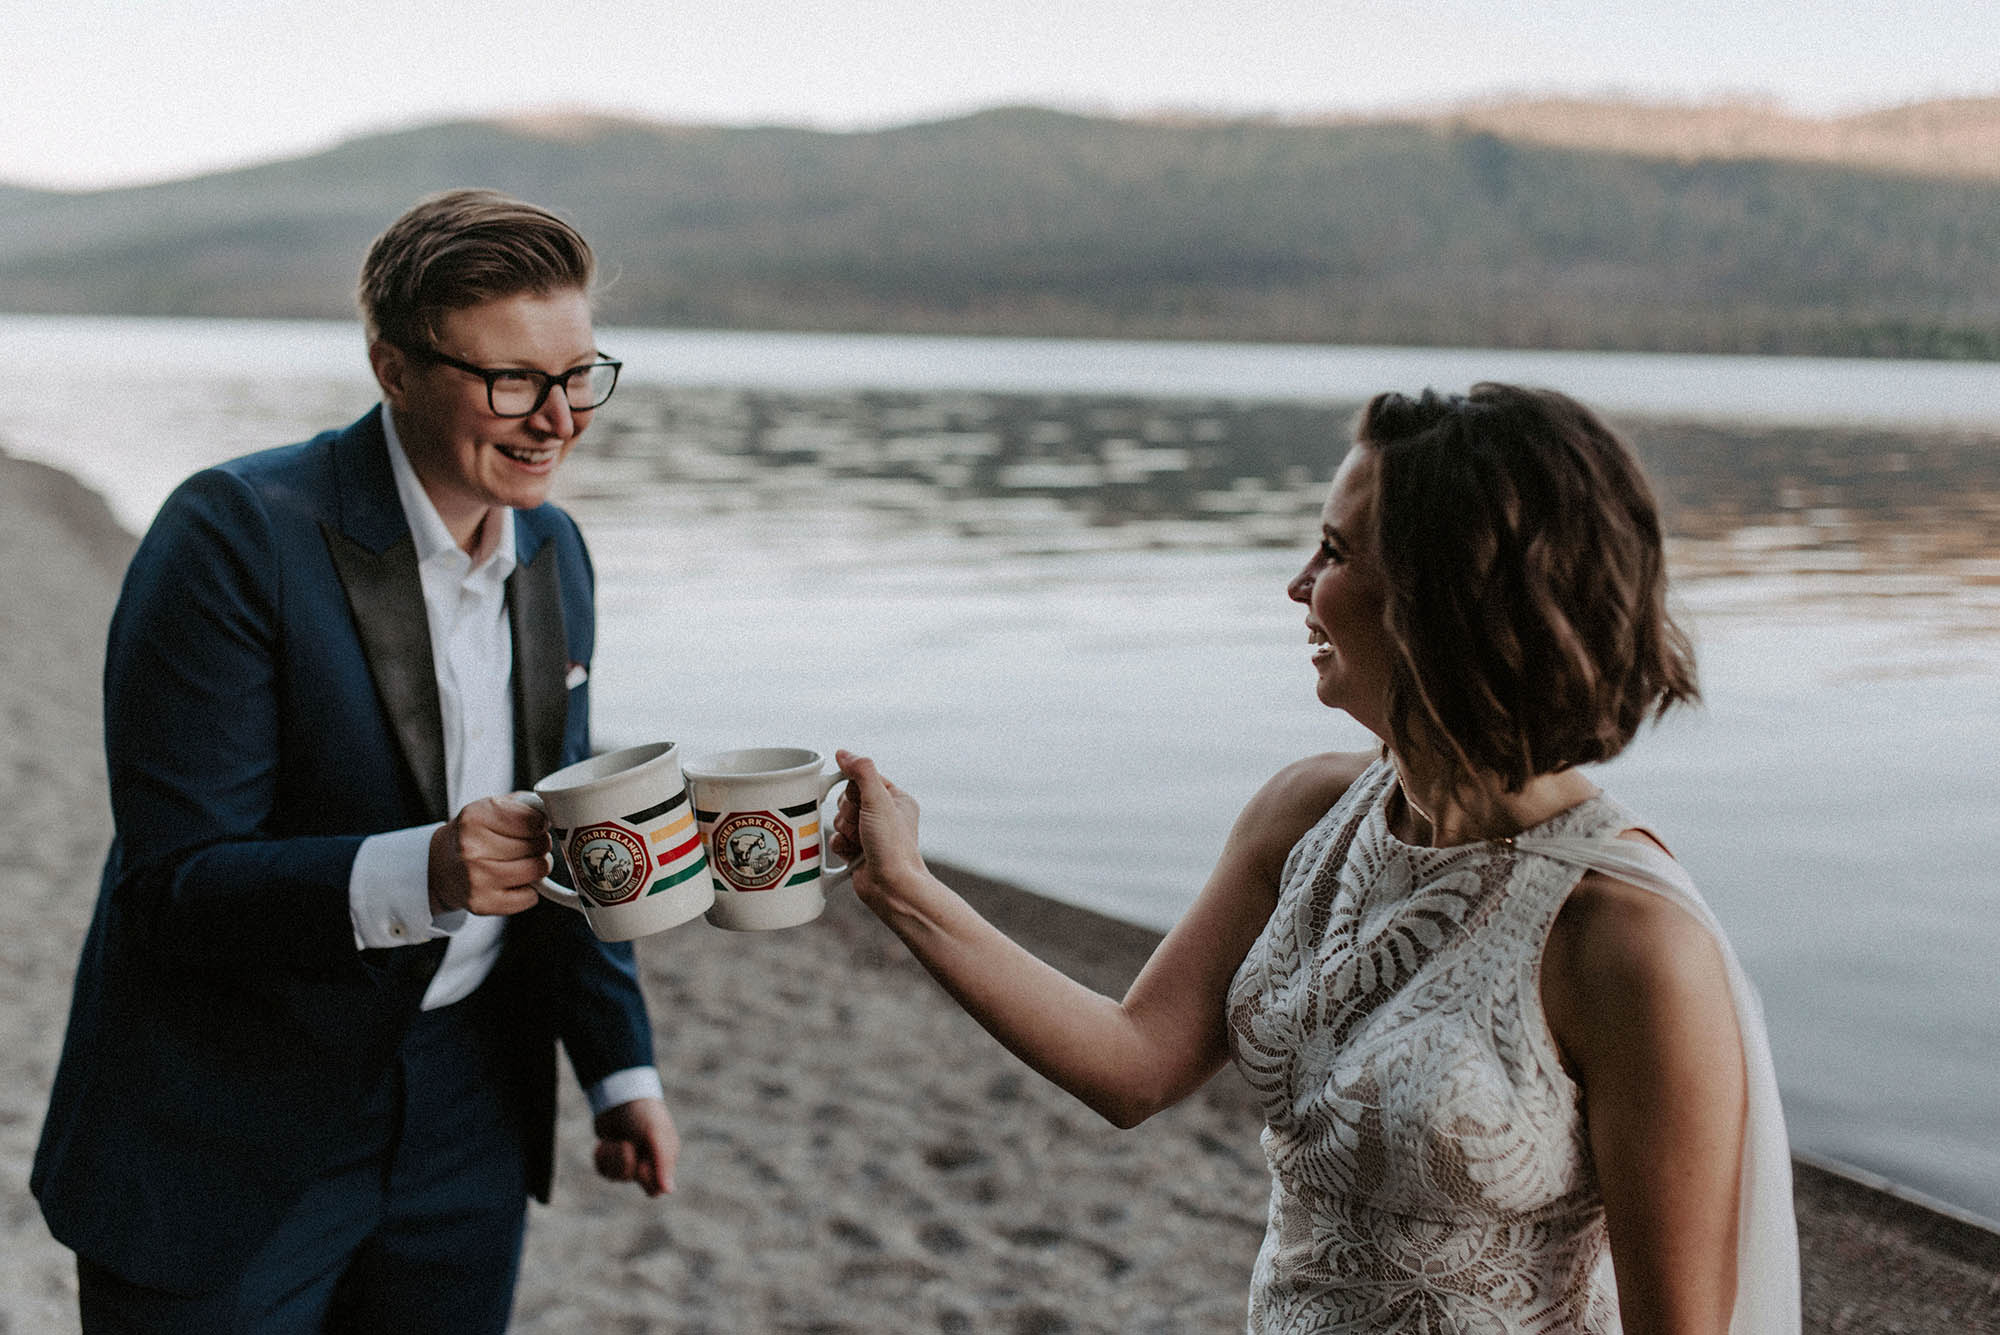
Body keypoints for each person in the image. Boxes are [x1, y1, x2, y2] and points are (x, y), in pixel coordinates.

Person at [832, 383, 1800, 1334]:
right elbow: (1131, 1066)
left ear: (1445, 595)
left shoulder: (1625, 939)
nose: (1296, 584)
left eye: (1334, 552)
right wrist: (903, 886)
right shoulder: (1306, 813)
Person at [33, 190, 678, 1333]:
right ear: (392, 366)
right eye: (511, 380)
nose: (558, 419)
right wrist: (427, 869)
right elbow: (173, 886)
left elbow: (572, 820)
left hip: (470, 1114)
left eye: (580, 374)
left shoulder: (558, 551)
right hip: (230, 1122)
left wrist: (619, 1069)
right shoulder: (232, 533)